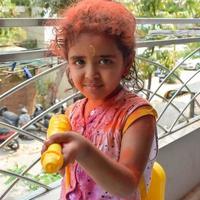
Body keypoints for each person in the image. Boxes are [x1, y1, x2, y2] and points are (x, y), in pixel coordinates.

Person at [42, 0, 158, 199]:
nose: (91, 74)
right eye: (79, 61)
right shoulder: (73, 112)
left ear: (126, 63)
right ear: (68, 63)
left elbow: (126, 187)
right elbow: (73, 176)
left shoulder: (138, 117)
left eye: (105, 61)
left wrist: (84, 151)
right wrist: (60, 159)